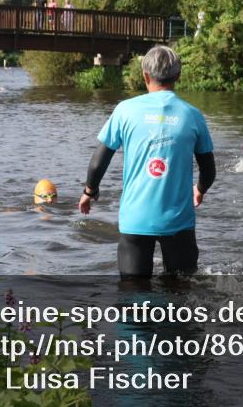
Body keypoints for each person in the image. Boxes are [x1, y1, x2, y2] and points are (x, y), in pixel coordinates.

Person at [79, 45, 216, 279]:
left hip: (136, 219)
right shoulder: (192, 115)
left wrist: (89, 191)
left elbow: (98, 161)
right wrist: (200, 190)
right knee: (181, 295)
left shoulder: (125, 110)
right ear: (178, 76)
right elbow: (209, 169)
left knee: (133, 298)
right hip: (178, 221)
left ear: (145, 76)